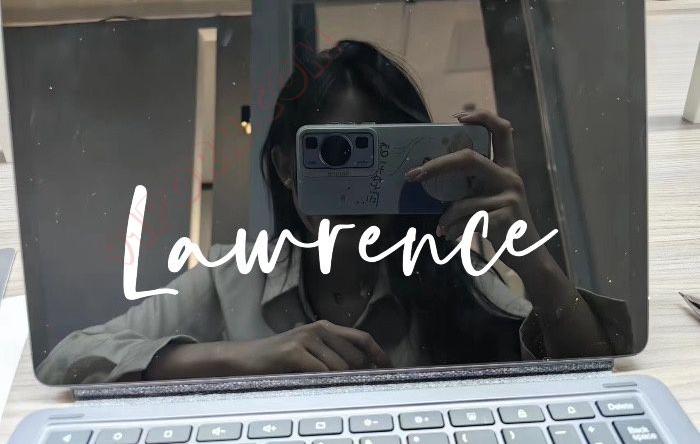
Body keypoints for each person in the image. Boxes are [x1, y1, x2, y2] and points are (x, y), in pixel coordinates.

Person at [36, 40, 631, 385]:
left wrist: (534, 260)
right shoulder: (230, 277)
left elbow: (595, 374)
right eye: (335, 153)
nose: (360, 185)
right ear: (286, 166)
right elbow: (67, 359)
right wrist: (242, 356)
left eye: (385, 155)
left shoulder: (453, 273)